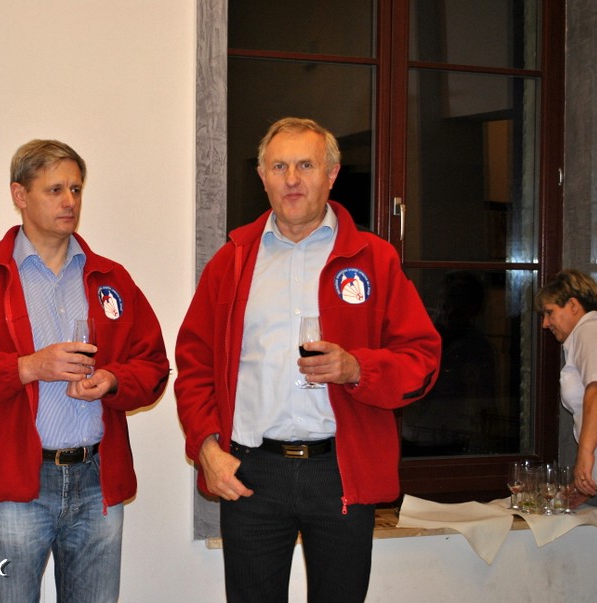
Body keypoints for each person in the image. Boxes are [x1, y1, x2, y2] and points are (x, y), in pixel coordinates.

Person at [174, 117, 441, 602]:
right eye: (279, 167)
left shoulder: (374, 259)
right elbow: (194, 366)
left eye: (306, 165)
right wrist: (207, 448)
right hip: (251, 472)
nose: (292, 179)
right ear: (262, 176)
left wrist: (358, 369)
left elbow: (422, 359)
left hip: (340, 472)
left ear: (332, 174)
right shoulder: (232, 261)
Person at [0, 139, 170, 603]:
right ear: (20, 195)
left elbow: (153, 365)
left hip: (96, 481)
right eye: (55, 190)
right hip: (15, 485)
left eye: (76, 189)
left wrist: (113, 381)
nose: (69, 201)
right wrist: (27, 367)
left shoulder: (111, 278)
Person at [536, 269, 597, 595]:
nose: (545, 324)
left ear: (573, 305)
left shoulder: (592, 331)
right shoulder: (587, 336)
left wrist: (585, 455)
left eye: (549, 312)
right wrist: (588, 480)